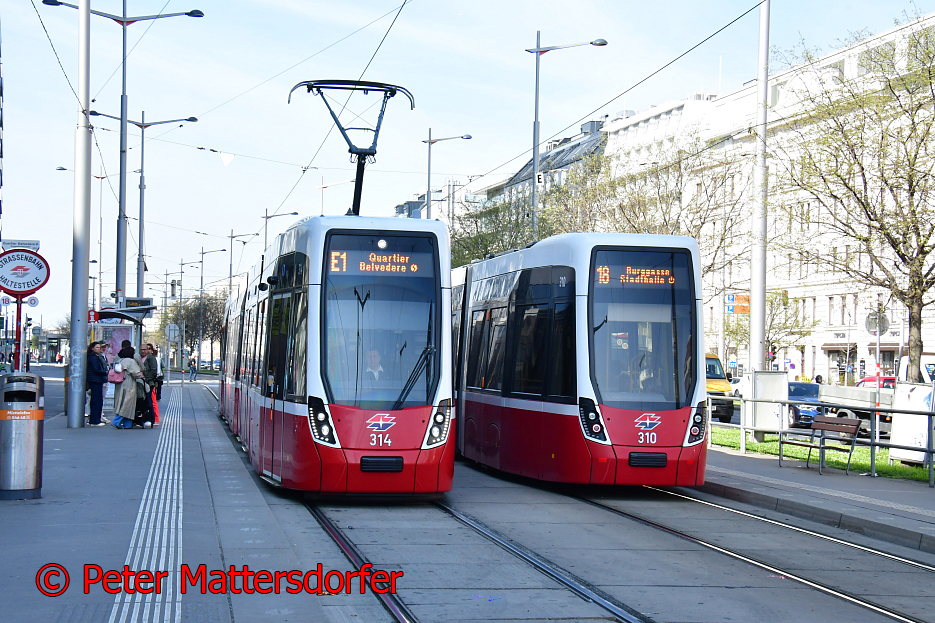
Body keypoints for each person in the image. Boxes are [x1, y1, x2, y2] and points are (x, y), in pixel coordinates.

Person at [112, 345, 143, 429]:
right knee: (128, 403)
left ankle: (127, 424)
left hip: (120, 383)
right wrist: (142, 376)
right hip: (129, 383)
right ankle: (116, 421)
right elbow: (136, 373)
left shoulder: (120, 360)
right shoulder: (131, 361)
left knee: (121, 402)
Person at [86, 342, 109, 426]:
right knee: (96, 401)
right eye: (97, 347)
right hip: (96, 380)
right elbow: (96, 369)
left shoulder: (94, 356)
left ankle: (94, 419)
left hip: (95, 380)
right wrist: (105, 372)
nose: (99, 349)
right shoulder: (93, 357)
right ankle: (95, 420)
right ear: (92, 348)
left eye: (99, 347)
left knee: (96, 400)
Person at [139, 343, 158, 429]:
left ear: (148, 350)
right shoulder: (140, 358)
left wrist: (146, 379)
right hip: (140, 383)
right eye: (141, 350)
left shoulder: (151, 358)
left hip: (148, 383)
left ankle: (151, 419)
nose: (143, 351)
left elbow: (153, 371)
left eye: (144, 350)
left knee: (149, 401)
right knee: (142, 401)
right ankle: (143, 418)